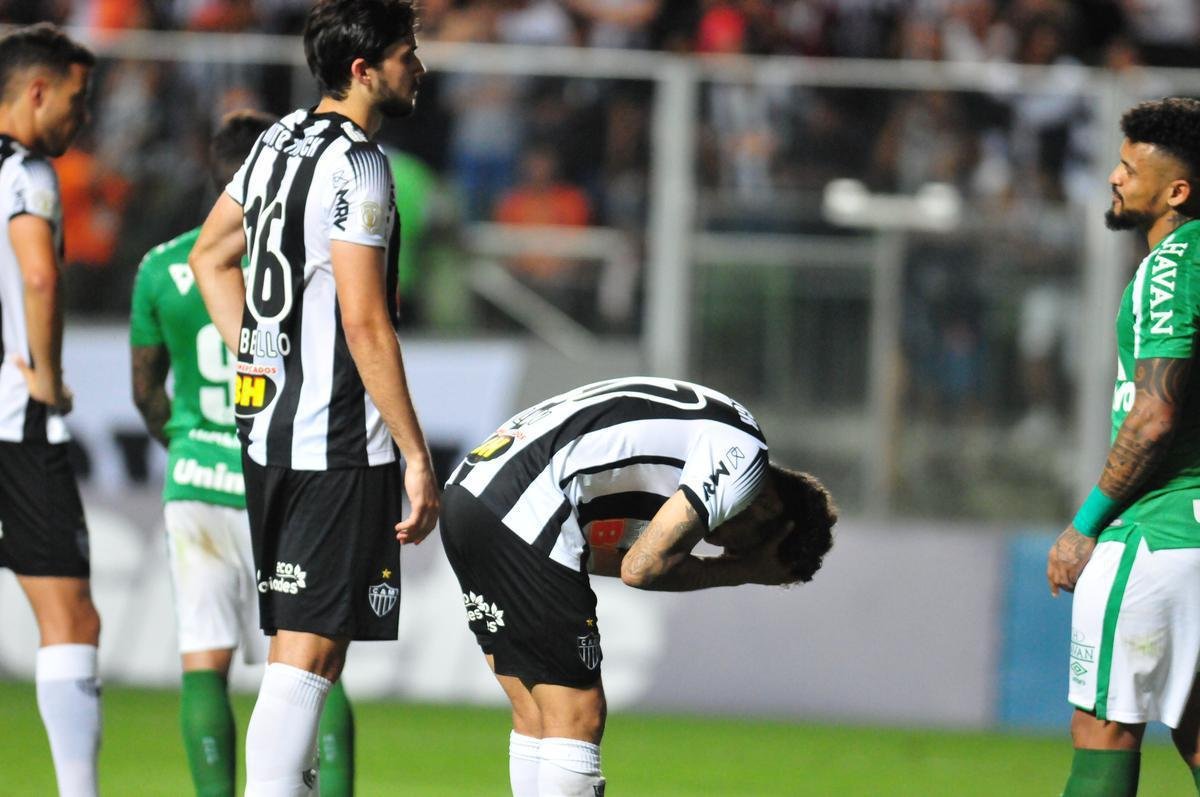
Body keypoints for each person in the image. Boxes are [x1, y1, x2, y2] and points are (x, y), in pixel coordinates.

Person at [188, 1, 440, 794]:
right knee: (307, 660)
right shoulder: (362, 165)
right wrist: (415, 453)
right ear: (363, 70)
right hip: (335, 439)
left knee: (307, 653)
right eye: (407, 52)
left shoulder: (276, 140)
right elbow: (365, 321)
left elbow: (209, 256)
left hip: (270, 431)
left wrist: (258, 361)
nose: (418, 67)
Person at [439, 376, 837, 796]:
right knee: (579, 714)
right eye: (746, 548)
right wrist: (744, 571)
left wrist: (737, 566)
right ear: (771, 510)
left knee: (537, 712)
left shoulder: (688, 455)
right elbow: (641, 570)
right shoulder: (742, 463)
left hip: (472, 492)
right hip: (524, 505)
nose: (725, 550)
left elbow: (599, 558)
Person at [130, 110, 357, 797]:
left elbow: (145, 392)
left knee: (204, 662)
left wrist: (189, 442)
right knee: (312, 661)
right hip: (279, 482)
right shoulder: (297, 261)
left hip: (193, 486)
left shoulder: (162, 266)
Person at [1047, 96, 1200, 797]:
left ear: (1177, 192)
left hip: (1157, 530)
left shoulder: (1175, 263)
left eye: (1129, 166)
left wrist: (1085, 526)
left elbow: (1154, 416)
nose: (1113, 176)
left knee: (1104, 729)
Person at [0, 24, 99, 797]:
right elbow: (38, 276)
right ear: (36, 91)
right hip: (14, 422)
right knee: (72, 620)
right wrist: (46, 375)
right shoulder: (25, 172)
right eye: (76, 98)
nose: (83, 117)